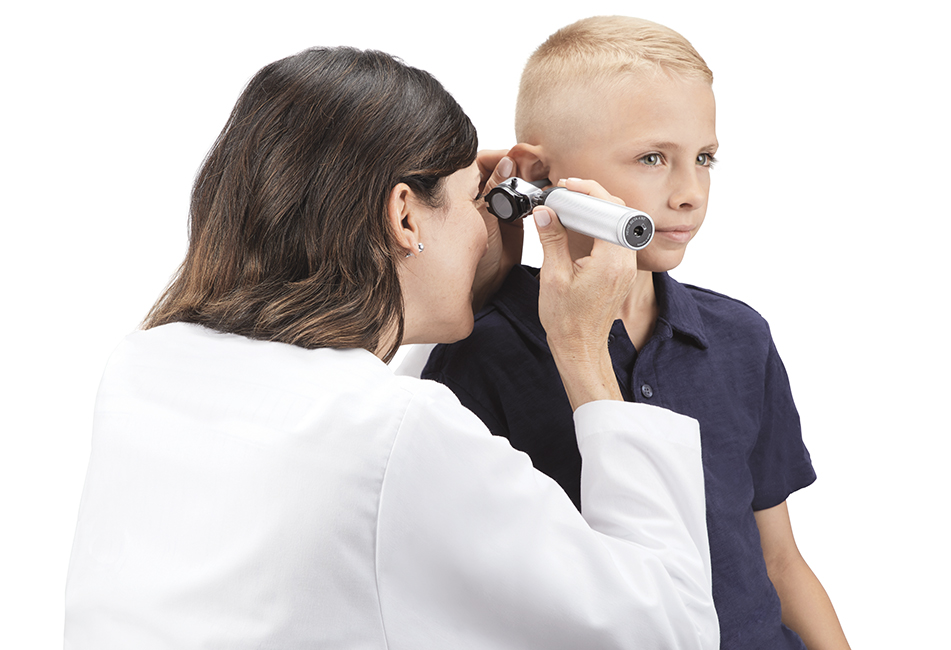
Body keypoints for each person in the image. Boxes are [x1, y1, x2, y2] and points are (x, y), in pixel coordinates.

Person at [63, 46, 720, 649]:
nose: (489, 221)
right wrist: (582, 352)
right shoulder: (397, 435)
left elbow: (359, 463)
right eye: (473, 199)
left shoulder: (146, 364)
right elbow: (670, 627)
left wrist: (469, 274)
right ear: (405, 215)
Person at [421, 16, 850, 650]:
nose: (689, 194)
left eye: (704, 159)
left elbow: (780, 560)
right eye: (653, 158)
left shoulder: (739, 337)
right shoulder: (481, 348)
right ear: (539, 175)